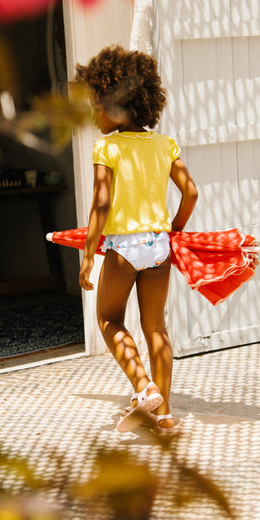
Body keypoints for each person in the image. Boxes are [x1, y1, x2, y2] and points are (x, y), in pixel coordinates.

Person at [75, 45, 198, 434]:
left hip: (123, 250)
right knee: (156, 328)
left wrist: (88, 257)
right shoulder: (165, 145)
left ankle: (143, 385)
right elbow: (191, 192)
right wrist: (174, 228)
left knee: (109, 319)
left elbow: (101, 205)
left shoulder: (107, 147)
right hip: (159, 248)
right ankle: (164, 414)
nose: (94, 116)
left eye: (97, 107)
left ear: (116, 108)